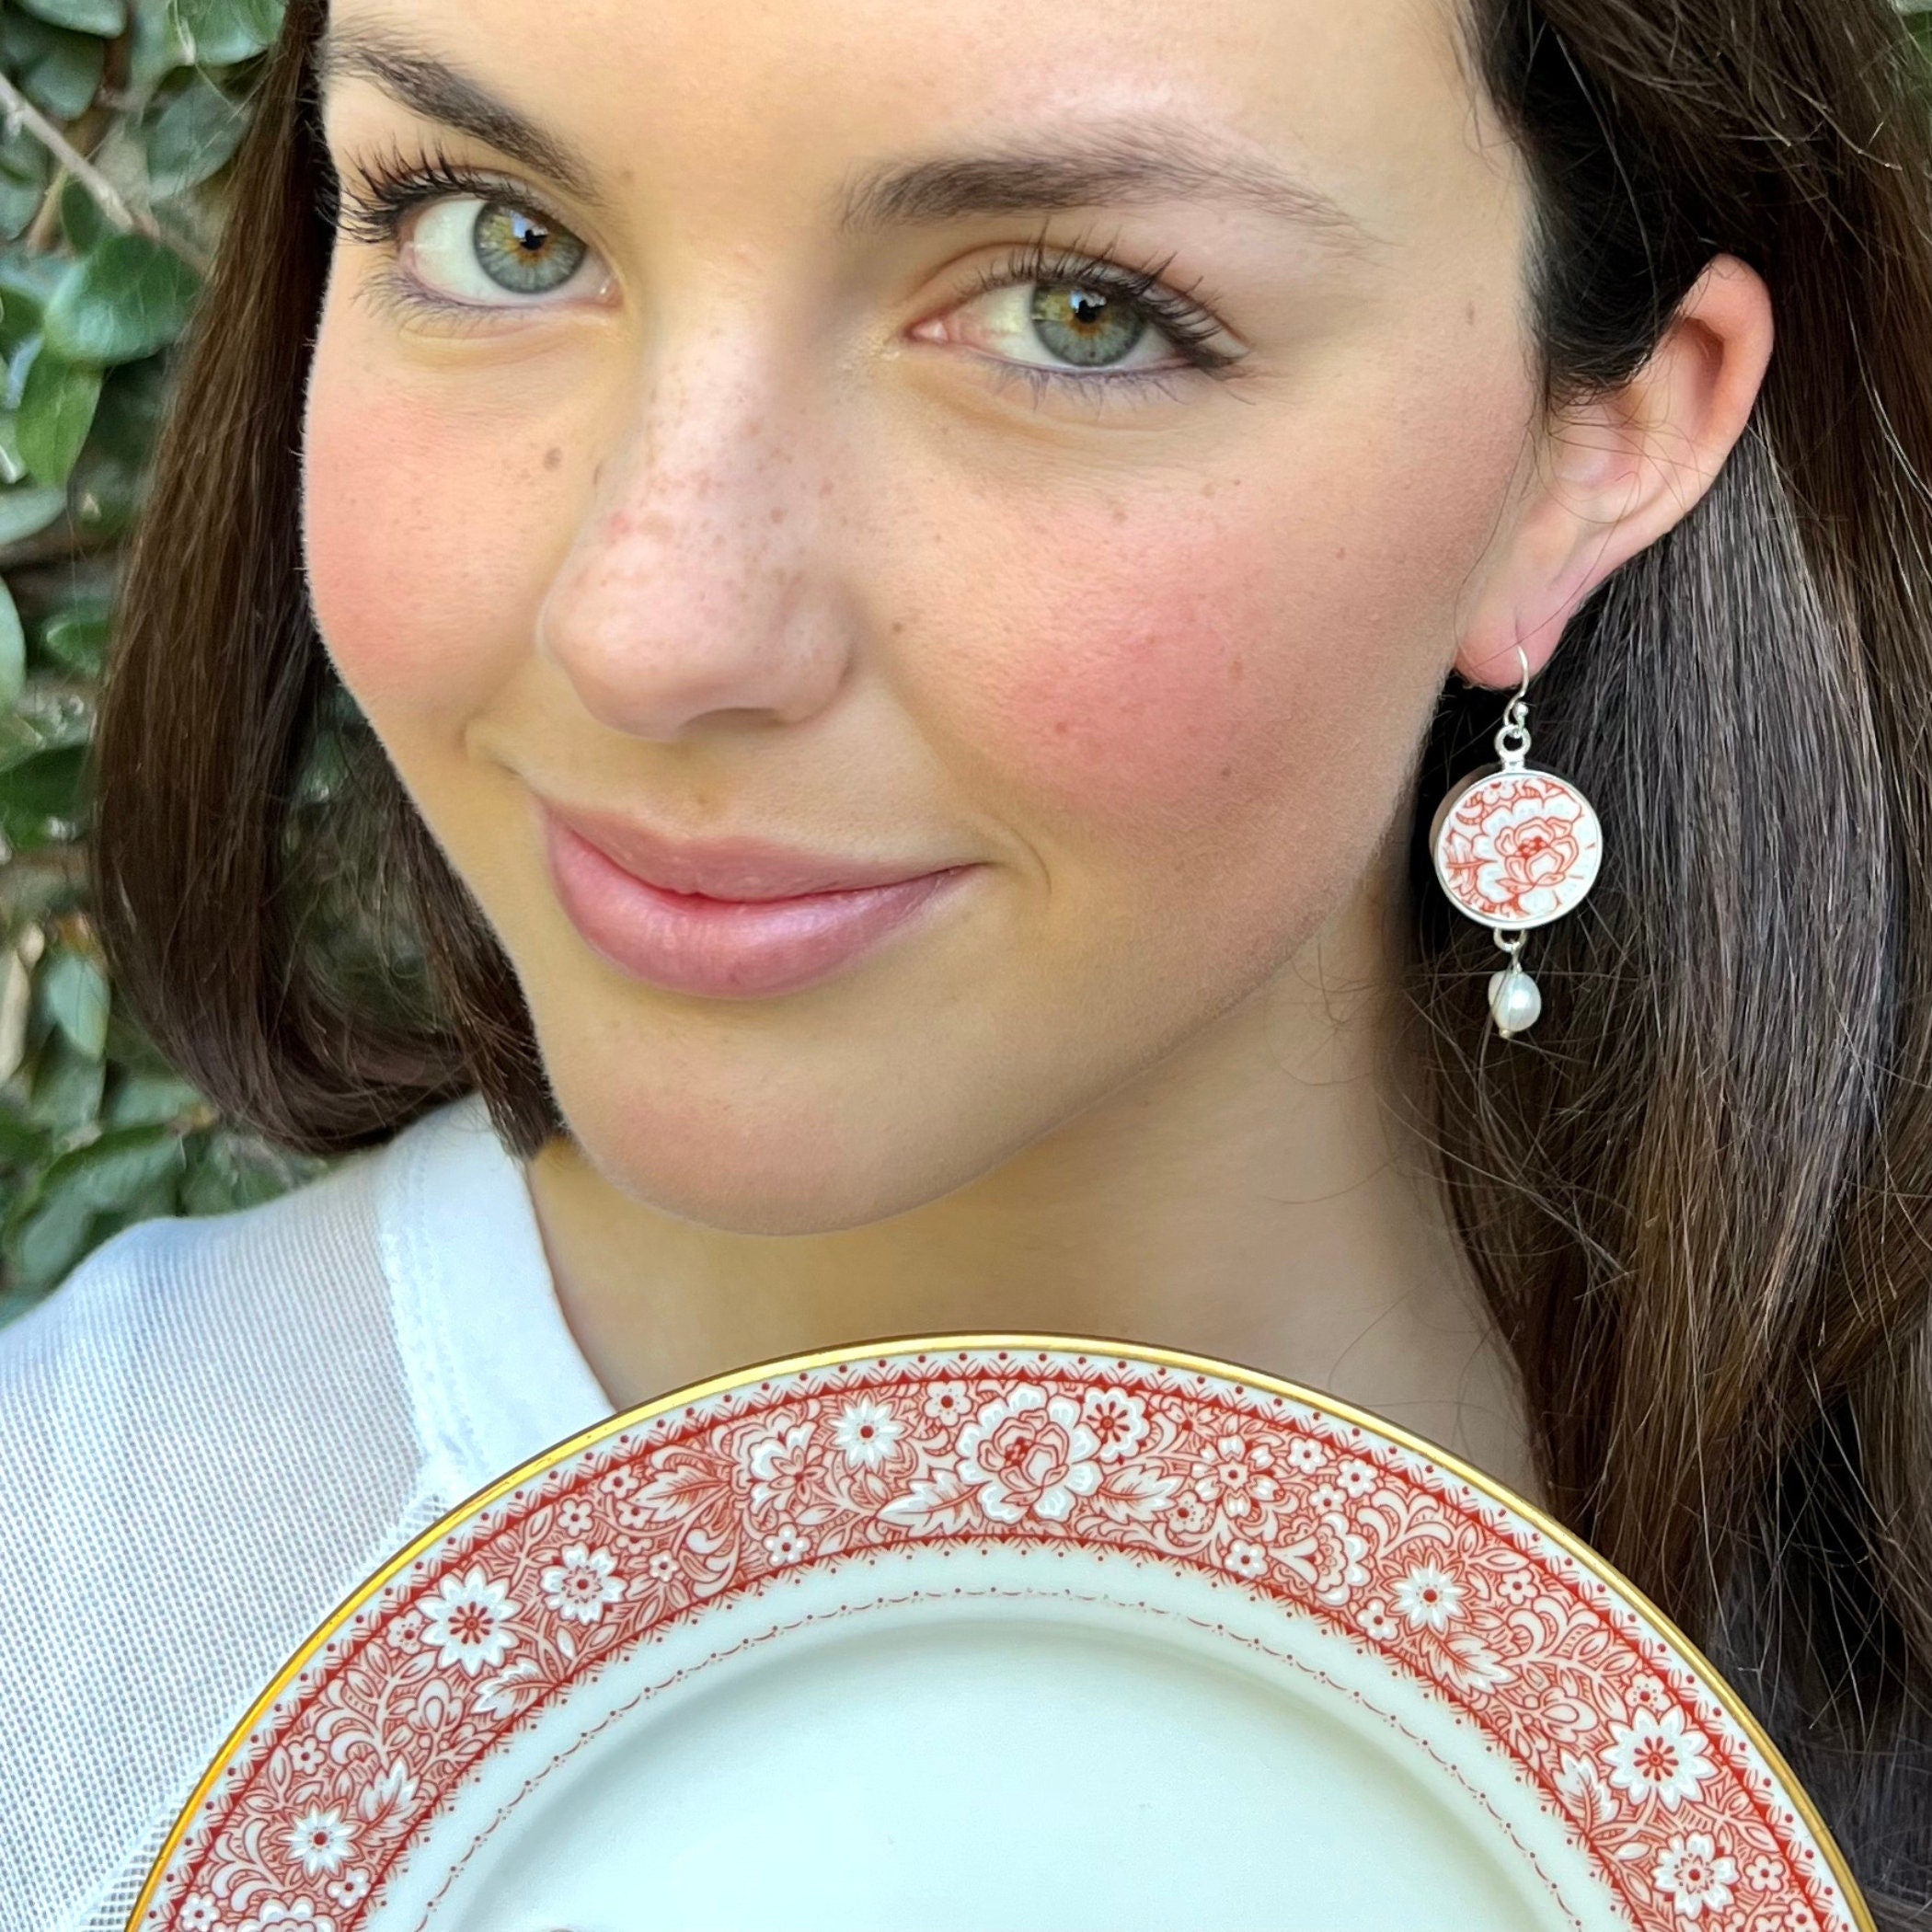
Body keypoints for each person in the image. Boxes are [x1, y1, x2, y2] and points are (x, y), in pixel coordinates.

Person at [3, 0, 1929, 1922]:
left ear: (1601, 444)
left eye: (1074, 313)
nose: (649, 625)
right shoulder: (73, 1632)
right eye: (496, 230)